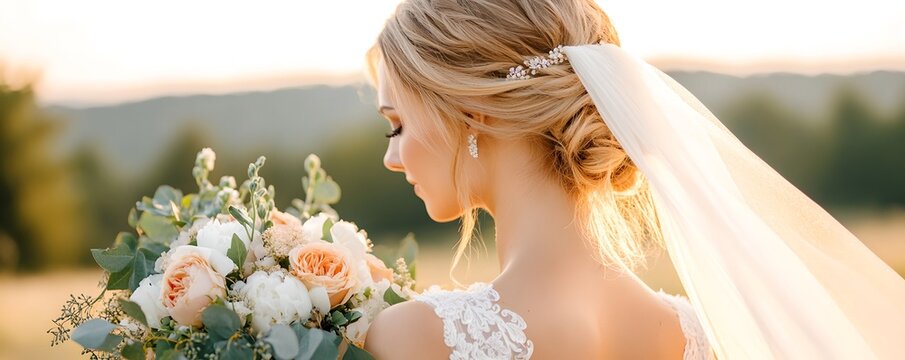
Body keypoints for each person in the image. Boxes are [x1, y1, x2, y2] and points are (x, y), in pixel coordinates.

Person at [361, 0, 905, 359]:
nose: (392, 158)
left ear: (476, 112)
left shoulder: (417, 337)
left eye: (398, 124)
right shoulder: (701, 334)